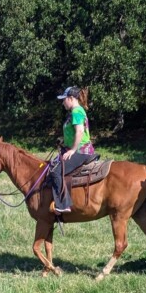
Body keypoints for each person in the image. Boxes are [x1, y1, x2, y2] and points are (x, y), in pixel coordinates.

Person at [50, 86, 96, 214]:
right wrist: (64, 142)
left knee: (55, 171)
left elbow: (80, 131)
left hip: (81, 151)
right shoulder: (75, 112)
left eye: (64, 99)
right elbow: (74, 132)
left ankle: (63, 204)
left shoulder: (76, 112)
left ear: (70, 98)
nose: (63, 103)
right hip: (76, 149)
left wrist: (72, 150)